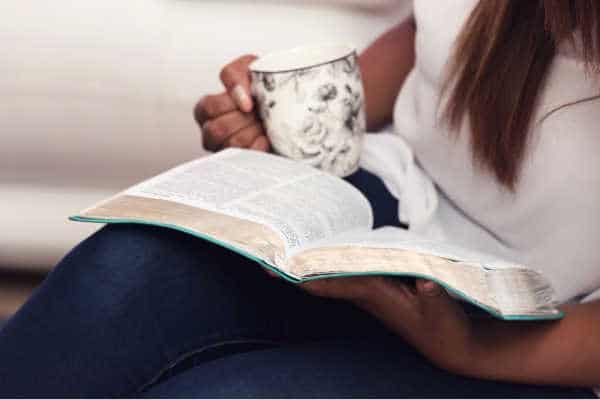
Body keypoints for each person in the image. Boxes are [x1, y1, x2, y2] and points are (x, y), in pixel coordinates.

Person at [1, 0, 598, 397]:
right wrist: (308, 110)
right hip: (401, 199)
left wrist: (476, 349)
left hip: (539, 324)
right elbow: (433, 29)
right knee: (119, 273)